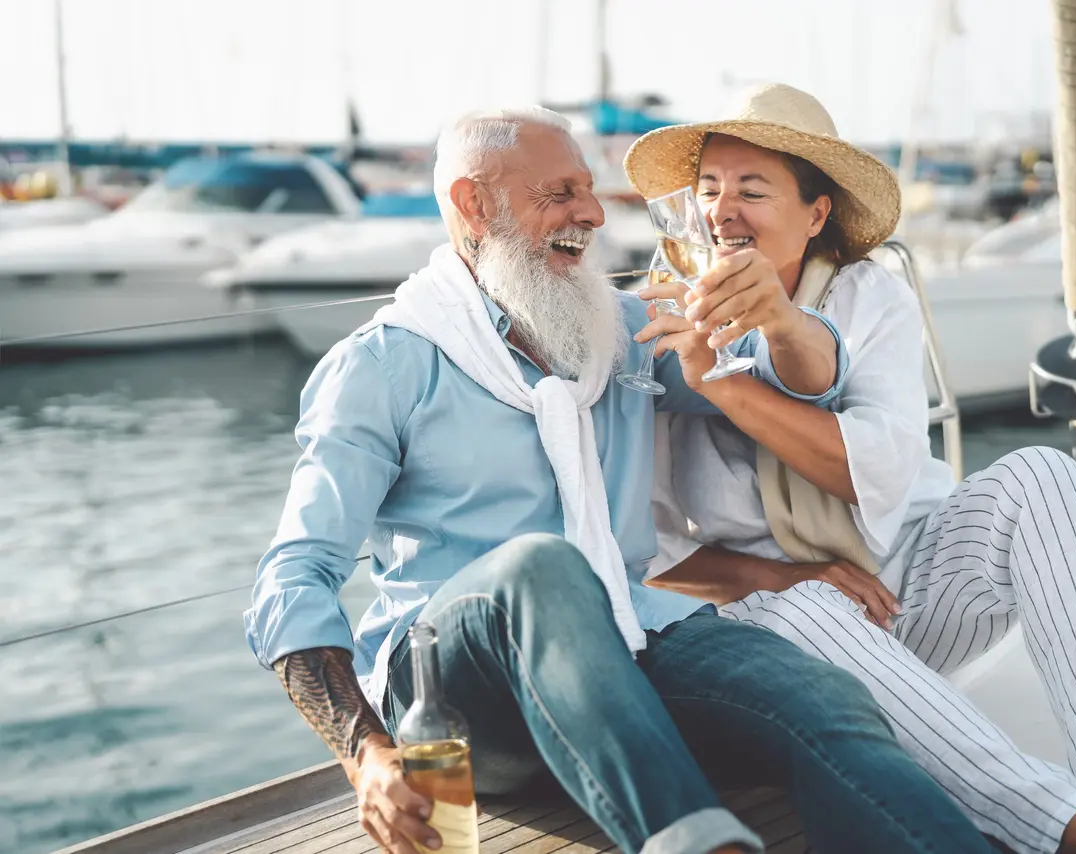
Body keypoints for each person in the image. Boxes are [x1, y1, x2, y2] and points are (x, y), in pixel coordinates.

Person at [245, 105, 993, 854]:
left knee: (822, 698)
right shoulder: (383, 364)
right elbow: (294, 578)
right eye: (561, 193)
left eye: (590, 191)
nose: (595, 214)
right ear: (474, 205)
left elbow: (801, 388)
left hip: (631, 643)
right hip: (460, 691)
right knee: (543, 568)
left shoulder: (621, 333)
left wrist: (787, 324)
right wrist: (365, 753)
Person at [626, 82, 1076, 854]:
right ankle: (1068, 825)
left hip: (901, 590)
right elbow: (652, 561)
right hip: (768, 617)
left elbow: (871, 473)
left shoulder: (868, 297)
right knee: (813, 611)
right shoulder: (663, 325)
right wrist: (792, 579)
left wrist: (745, 368)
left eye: (753, 190)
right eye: (709, 190)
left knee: (1045, 477)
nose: (723, 211)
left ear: (816, 216)